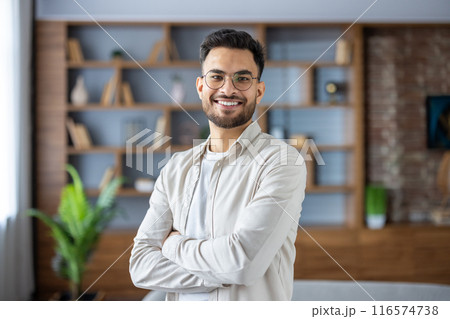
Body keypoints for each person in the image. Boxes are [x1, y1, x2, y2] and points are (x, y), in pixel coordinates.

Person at [129, 29, 306, 301]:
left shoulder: (281, 163)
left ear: (259, 91)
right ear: (201, 86)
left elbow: (242, 264)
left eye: (242, 78)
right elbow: (140, 265)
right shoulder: (175, 168)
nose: (228, 89)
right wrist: (221, 272)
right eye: (217, 76)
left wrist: (173, 244)